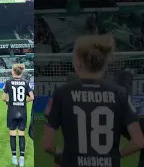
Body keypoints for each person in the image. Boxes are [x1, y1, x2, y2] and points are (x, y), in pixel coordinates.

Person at [42, 34, 144, 167]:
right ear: (105, 63)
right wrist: (116, 155)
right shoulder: (120, 93)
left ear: (78, 63)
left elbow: (47, 144)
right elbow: (138, 142)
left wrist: (59, 155)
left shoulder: (62, 93)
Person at [2, 64, 34, 167]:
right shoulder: (26, 82)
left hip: (12, 111)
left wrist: (8, 102)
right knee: (21, 135)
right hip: (22, 111)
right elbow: (32, 97)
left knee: (12, 135)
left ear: (13, 72)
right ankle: (22, 159)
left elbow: (3, 98)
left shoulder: (8, 82)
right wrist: (25, 101)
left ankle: (14, 158)